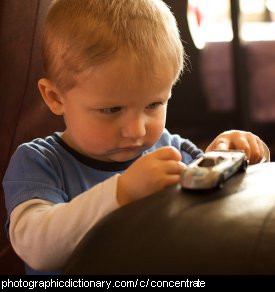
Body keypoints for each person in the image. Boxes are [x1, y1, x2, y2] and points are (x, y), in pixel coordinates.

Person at [3, 0, 269, 275]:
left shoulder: (172, 150)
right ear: (55, 97)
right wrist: (123, 192)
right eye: (111, 109)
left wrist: (234, 160)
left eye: (153, 105)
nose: (137, 131)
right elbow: (36, 249)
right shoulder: (39, 162)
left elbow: (219, 214)